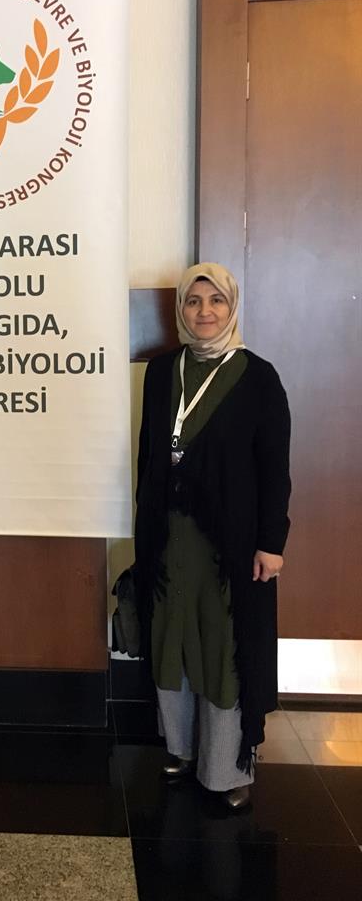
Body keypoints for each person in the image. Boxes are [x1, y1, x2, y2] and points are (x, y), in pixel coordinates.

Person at [133, 262, 291, 809]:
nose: (205, 312)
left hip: (230, 545)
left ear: (232, 307)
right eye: (194, 301)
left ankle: (225, 767)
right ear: (181, 309)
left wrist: (272, 543)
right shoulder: (162, 372)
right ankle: (180, 748)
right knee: (171, 636)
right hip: (168, 537)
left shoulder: (258, 377)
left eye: (216, 301)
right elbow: (149, 453)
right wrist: (145, 525)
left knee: (222, 646)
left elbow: (275, 468)